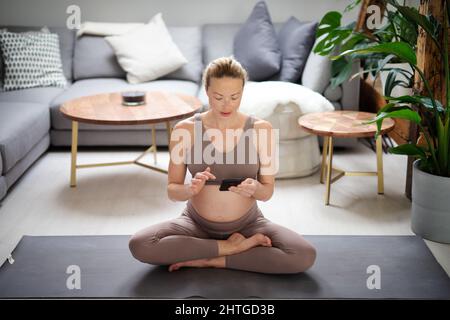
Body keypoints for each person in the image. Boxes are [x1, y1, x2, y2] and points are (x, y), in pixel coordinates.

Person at [129, 56, 316, 274]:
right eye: (218, 97)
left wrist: (256, 188)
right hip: (195, 224)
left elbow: (267, 192)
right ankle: (229, 248)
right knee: (140, 244)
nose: (226, 104)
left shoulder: (262, 130)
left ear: (242, 93)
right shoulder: (185, 130)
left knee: (303, 255)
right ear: (206, 91)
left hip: (249, 225)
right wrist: (189, 189)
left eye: (234, 97)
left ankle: (211, 259)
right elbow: (172, 190)